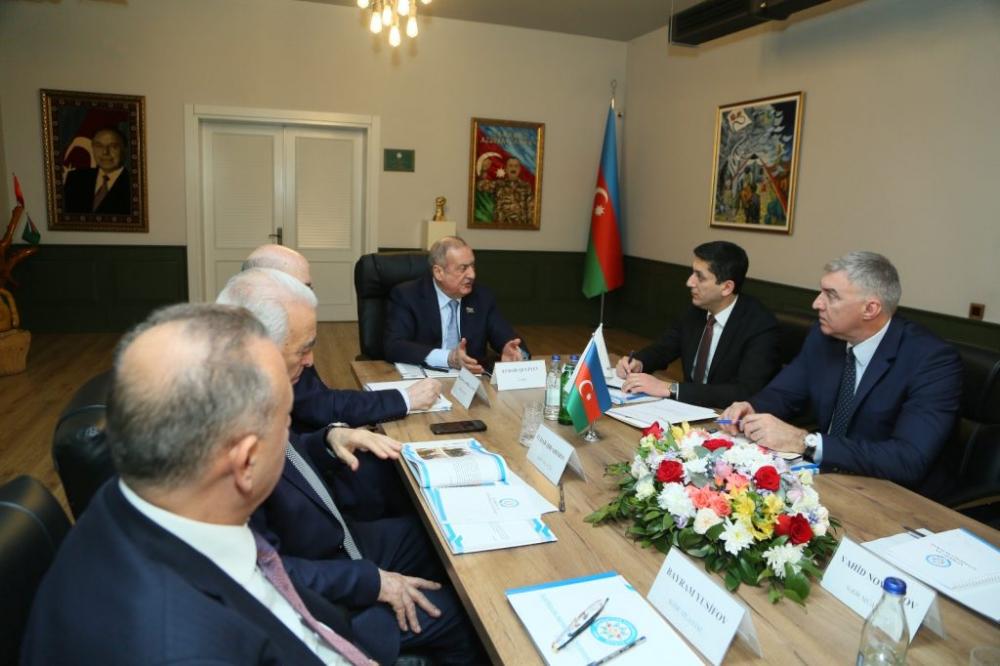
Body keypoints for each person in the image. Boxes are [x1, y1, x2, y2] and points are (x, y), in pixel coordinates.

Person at [22, 304, 372, 665]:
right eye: (286, 419)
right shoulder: (184, 649)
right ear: (246, 462)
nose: (290, 432)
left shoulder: (133, 501)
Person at [218, 268, 485, 664]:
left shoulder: (248, 388)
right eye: (303, 349)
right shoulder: (226, 435)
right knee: (466, 618)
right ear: (259, 348)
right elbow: (268, 574)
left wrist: (328, 439)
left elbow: (290, 457)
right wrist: (373, 582)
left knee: (441, 536)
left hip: (335, 538)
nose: (311, 360)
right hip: (327, 603)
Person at [719, 251, 962, 488]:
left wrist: (805, 442)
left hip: (891, 492)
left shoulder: (931, 360)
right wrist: (752, 408)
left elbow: (908, 459)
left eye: (831, 296)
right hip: (828, 477)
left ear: (870, 309)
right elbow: (784, 393)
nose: (816, 303)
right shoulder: (824, 337)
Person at [242, 244, 441, 432]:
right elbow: (320, 406)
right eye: (302, 289)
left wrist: (335, 434)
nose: (312, 298)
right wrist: (406, 398)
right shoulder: (264, 342)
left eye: (310, 288)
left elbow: (315, 404)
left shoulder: (262, 326)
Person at [616, 241, 780, 408]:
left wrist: (670, 388)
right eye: (692, 273)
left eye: (700, 277)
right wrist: (639, 362)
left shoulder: (760, 326)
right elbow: (664, 348)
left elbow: (744, 391)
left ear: (726, 287)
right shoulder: (696, 310)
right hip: (688, 408)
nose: (689, 282)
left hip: (726, 414)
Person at [385, 235, 528, 373]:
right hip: (423, 378)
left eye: (472, 266)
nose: (472, 275)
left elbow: (507, 337)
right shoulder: (408, 295)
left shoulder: (482, 297)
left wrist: (514, 352)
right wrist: (448, 358)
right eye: (463, 268)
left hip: (471, 380)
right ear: (439, 272)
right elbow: (394, 346)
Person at [62, 127, 132, 215]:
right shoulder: (74, 178)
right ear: (93, 148)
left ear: (125, 150)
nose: (105, 152)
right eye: (99, 146)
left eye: (113, 146)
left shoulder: (135, 185)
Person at [476, 156, 534, 225]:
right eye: (510, 166)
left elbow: (531, 210)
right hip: (500, 226)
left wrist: (530, 227)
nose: (513, 169)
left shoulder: (526, 187)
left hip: (520, 227)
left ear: (519, 169)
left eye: (516, 166)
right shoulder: (498, 185)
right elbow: (480, 186)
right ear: (506, 169)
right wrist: (484, 171)